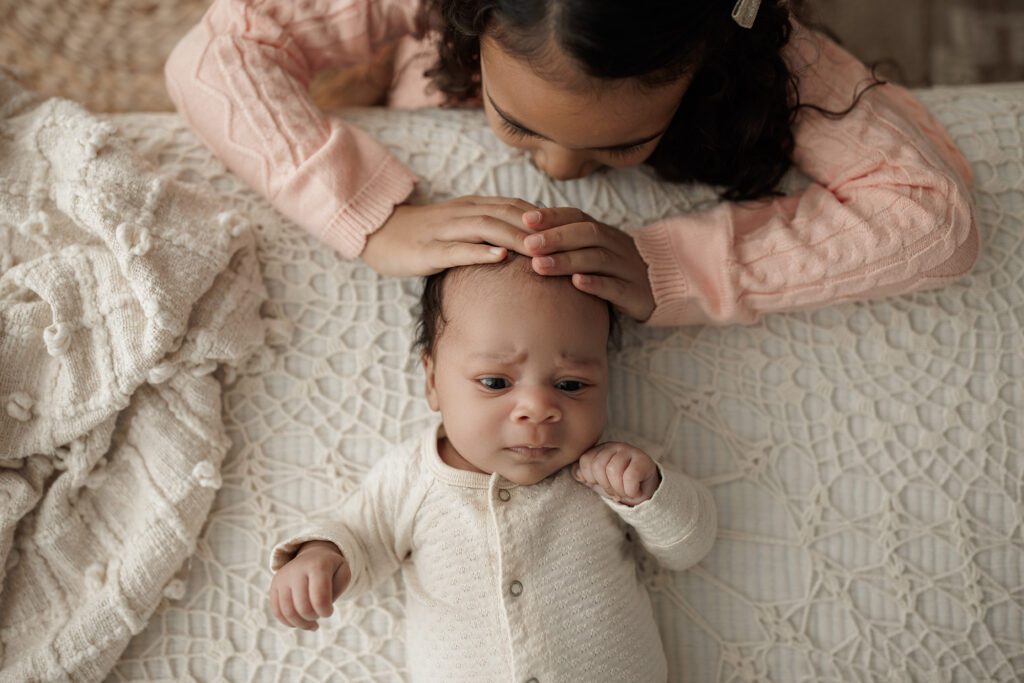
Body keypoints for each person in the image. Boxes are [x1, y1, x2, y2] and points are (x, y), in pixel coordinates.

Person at [165, 0, 978, 326]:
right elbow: (217, 50)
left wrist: (676, 266)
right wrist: (370, 216)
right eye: (516, 121)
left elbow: (933, 215)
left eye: (620, 145)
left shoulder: (762, 47)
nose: (557, 173)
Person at [267, 254, 717, 681]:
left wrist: (650, 493)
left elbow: (688, 546)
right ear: (433, 383)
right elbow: (362, 537)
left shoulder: (608, 470)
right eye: (496, 382)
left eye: (572, 384)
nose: (539, 408)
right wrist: (322, 556)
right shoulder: (413, 476)